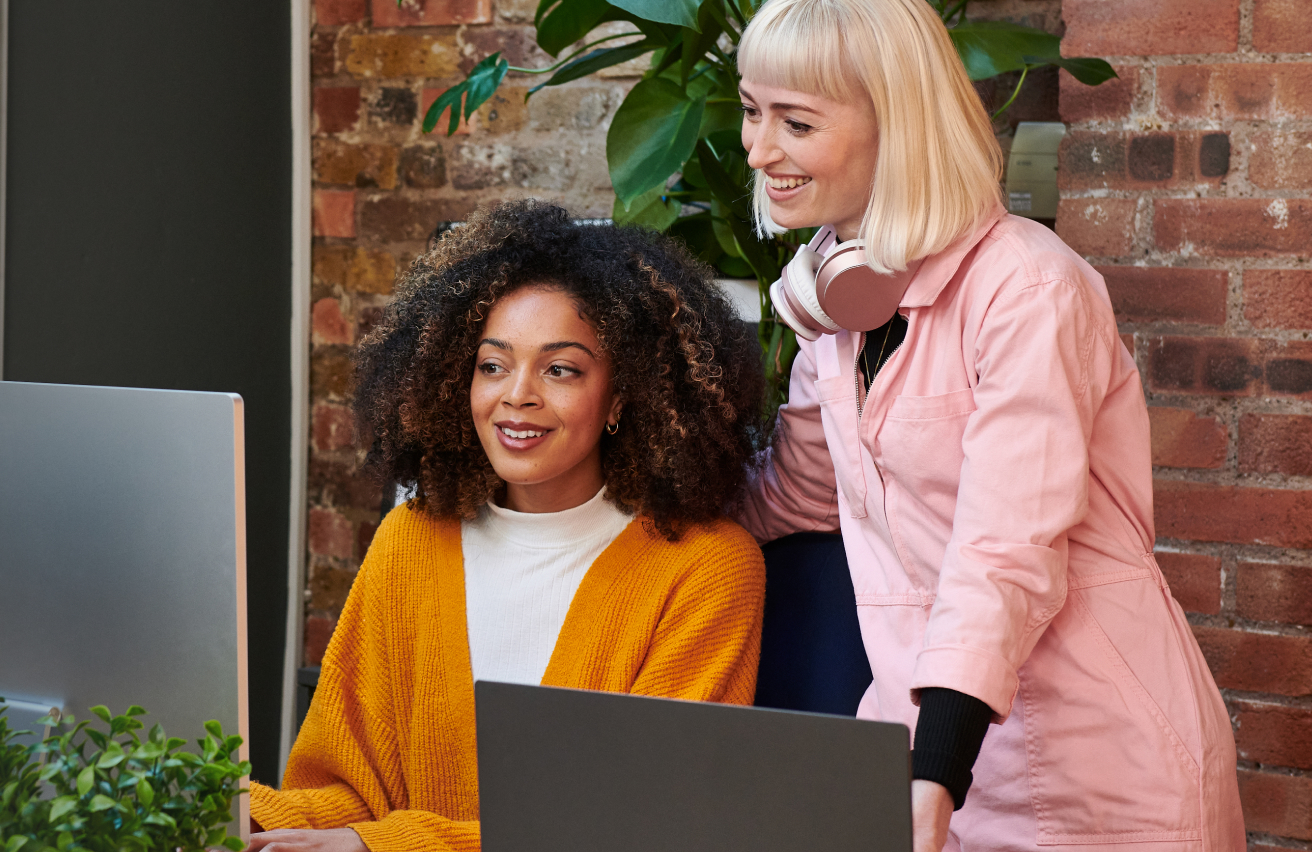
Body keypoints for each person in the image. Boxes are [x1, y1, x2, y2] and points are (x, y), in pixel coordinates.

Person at [729, 1, 1245, 850]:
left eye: (796, 121)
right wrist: (616, 500)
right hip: (923, 762)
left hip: (1091, 776)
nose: (758, 148)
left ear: (898, 122)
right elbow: (795, 491)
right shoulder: (837, 315)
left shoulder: (1031, 291)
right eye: (753, 110)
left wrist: (936, 768)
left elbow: (1006, 546)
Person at [243, 200, 769, 852]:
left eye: (560, 369)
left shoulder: (705, 569)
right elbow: (346, 792)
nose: (516, 395)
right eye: (493, 365)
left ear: (623, 397)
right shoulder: (410, 541)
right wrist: (239, 821)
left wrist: (381, 846)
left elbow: (645, 826)